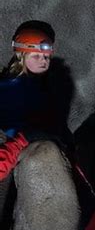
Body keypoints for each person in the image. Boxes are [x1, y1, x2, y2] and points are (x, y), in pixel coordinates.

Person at [0, 23, 71, 180]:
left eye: (46, 57)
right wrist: (25, 137)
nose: (43, 61)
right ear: (22, 56)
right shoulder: (7, 89)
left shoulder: (42, 87)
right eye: (36, 56)